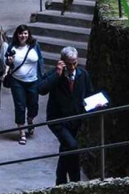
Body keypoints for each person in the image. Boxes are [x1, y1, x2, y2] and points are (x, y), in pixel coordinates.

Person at [36, 46, 92, 185]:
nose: (72, 67)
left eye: (74, 63)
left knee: (66, 148)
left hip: (74, 120)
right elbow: (41, 89)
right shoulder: (55, 74)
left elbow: (89, 93)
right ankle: (75, 181)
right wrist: (57, 74)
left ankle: (60, 180)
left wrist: (96, 104)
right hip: (58, 120)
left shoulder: (82, 74)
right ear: (62, 62)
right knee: (72, 147)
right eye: (69, 63)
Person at [5, 24, 44, 145]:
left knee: (33, 105)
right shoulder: (12, 47)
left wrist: (41, 75)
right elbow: (7, 61)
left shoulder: (34, 45)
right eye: (21, 33)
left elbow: (40, 60)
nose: (23, 36)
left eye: (25, 33)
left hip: (33, 80)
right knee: (20, 106)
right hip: (17, 81)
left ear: (29, 34)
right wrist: (9, 62)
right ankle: (22, 133)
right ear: (17, 35)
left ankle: (30, 119)